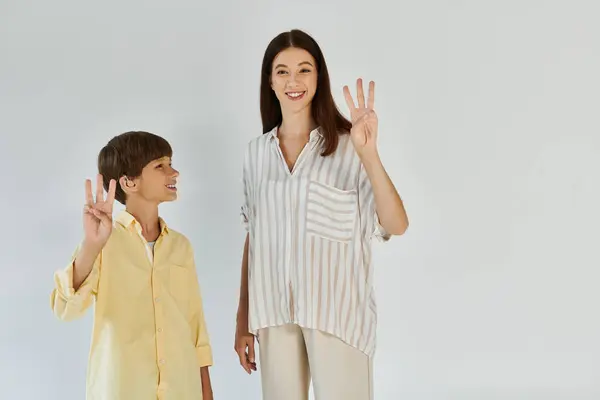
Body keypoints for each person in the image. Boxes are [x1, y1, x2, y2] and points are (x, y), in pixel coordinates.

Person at [234, 29, 409, 400]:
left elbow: (396, 224)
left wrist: (370, 155)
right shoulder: (255, 154)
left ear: (319, 77)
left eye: (304, 69)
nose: (293, 81)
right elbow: (255, 237)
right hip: (273, 316)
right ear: (269, 79)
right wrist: (243, 320)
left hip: (338, 316)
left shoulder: (350, 148)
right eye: (282, 71)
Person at [50, 131, 214, 400]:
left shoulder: (181, 247)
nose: (174, 172)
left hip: (182, 390)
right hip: (122, 390)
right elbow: (65, 308)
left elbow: (195, 328)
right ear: (128, 182)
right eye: (160, 166)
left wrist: (206, 392)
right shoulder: (104, 242)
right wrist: (91, 246)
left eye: (170, 163)